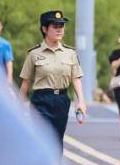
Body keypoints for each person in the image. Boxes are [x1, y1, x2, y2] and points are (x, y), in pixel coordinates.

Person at [18, 11, 86, 150]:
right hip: (40, 101)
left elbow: (76, 78)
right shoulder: (34, 54)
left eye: (61, 26)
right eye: (55, 26)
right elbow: (26, 82)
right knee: (41, 139)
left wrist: (81, 101)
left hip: (61, 100)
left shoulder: (70, 53)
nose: (60, 29)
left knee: (56, 140)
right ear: (44, 29)